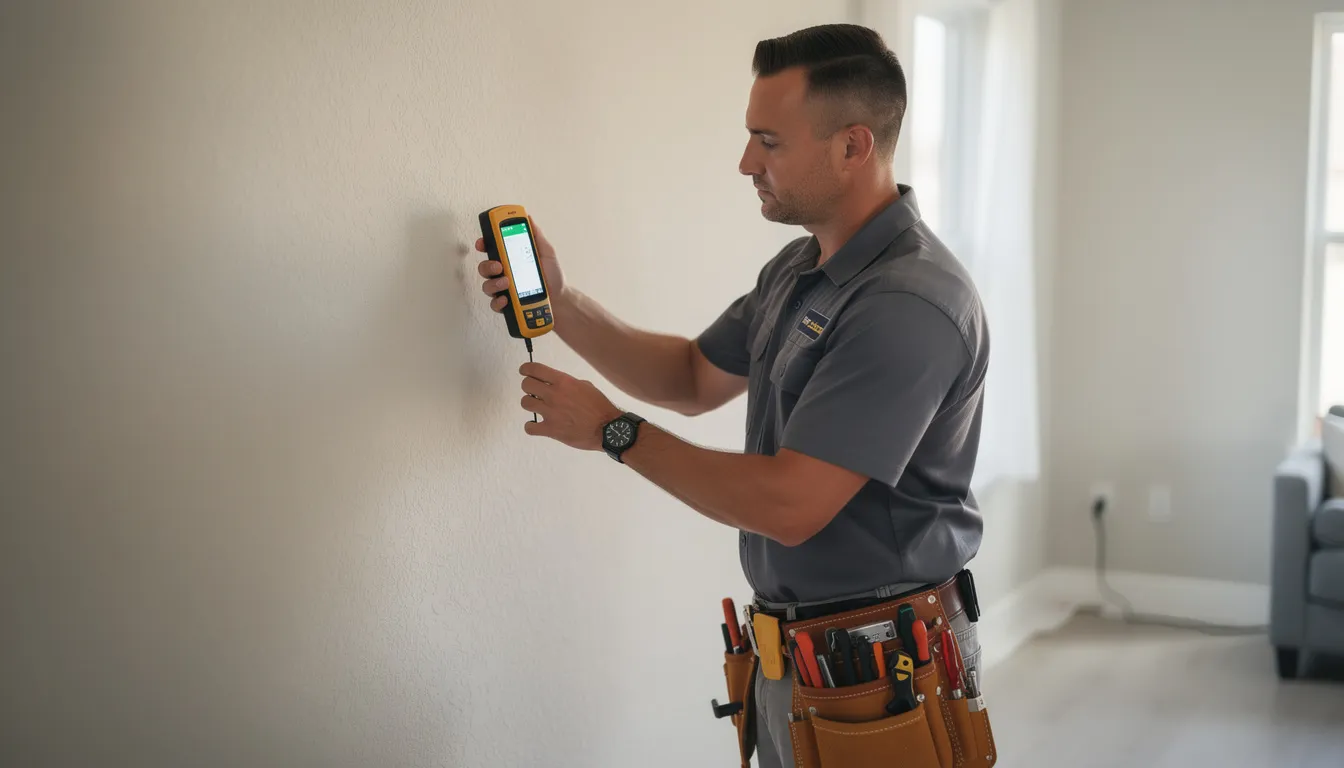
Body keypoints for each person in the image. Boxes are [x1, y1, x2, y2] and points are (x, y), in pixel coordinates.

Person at [474, 23, 988, 767]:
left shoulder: (908, 306)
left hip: (884, 670)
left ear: (852, 147)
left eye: (769, 142)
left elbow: (789, 505)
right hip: (795, 655)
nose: (745, 162)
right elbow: (688, 378)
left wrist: (614, 432)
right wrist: (561, 300)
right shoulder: (799, 268)